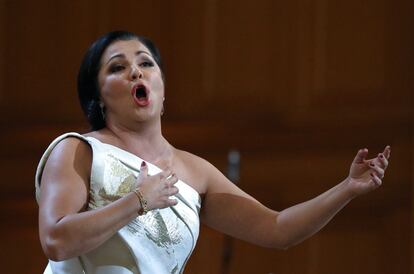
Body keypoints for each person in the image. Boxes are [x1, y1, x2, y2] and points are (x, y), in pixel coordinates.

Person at [35, 31, 390, 274]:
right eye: (117, 67)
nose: (135, 71)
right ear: (97, 98)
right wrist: (138, 201)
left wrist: (346, 188)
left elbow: (278, 229)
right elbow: (56, 240)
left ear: (161, 91)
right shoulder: (78, 150)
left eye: (146, 63)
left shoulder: (196, 172)